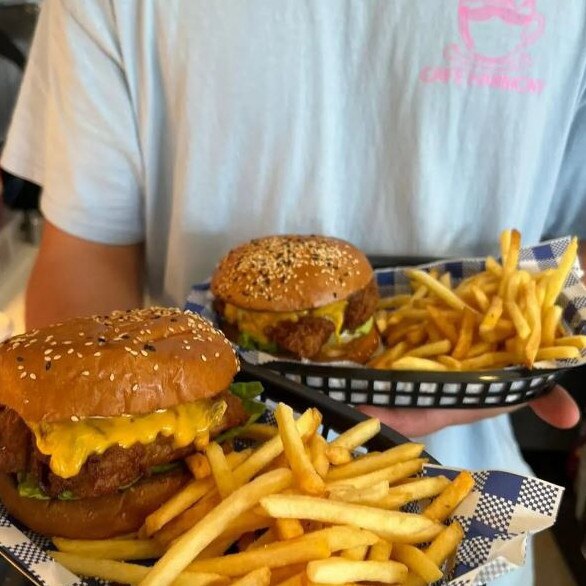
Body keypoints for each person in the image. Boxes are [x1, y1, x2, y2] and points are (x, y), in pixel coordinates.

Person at [2, 2, 585, 583]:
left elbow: (570, 254)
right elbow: (85, 247)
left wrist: (517, 365)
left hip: (465, 501)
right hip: (175, 534)